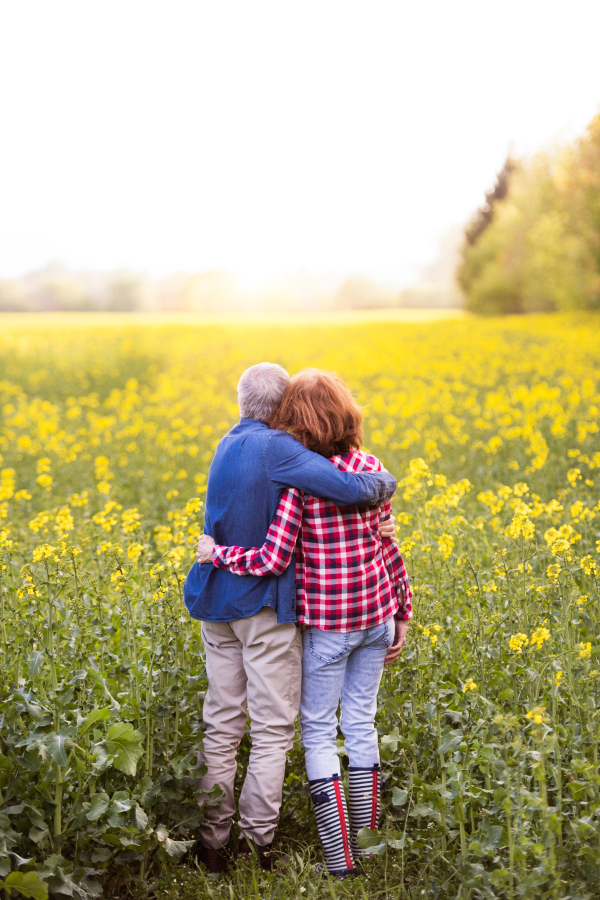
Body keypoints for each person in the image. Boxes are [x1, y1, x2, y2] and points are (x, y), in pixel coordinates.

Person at [184, 362, 398, 875]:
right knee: (274, 729)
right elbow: (350, 489)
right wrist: (386, 482)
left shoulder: (226, 442)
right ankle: (259, 844)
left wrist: (215, 554)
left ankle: (212, 845)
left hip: (215, 603)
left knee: (221, 722)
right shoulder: (280, 449)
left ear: (240, 402)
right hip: (260, 605)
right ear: (280, 410)